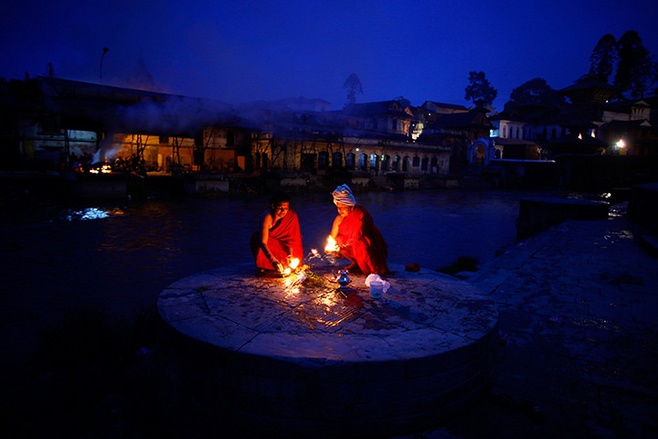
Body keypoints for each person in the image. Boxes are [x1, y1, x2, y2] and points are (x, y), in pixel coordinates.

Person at [328, 184, 392, 276]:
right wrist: (331, 247)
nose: (340, 210)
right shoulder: (339, 219)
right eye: (338, 208)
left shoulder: (361, 215)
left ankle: (368, 267)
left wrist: (341, 247)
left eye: (343, 208)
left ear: (351, 206)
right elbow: (332, 237)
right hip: (351, 244)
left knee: (361, 244)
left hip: (368, 244)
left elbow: (359, 237)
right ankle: (355, 262)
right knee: (339, 239)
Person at [250, 191, 304, 275]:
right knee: (256, 238)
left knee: (295, 261)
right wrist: (272, 260)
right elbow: (263, 242)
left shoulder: (291, 216)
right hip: (272, 246)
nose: (283, 211)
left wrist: (290, 255)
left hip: (288, 249)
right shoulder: (267, 217)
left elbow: (292, 240)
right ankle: (266, 265)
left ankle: (283, 264)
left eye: (286, 208)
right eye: (280, 208)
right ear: (273, 206)